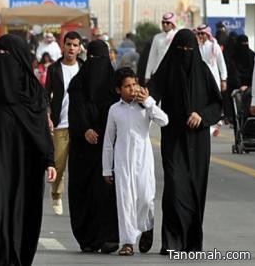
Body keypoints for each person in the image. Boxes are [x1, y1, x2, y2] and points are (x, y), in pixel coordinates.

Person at [0, 34, 57, 266]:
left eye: (9, 55)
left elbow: (41, 129)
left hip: (27, 168)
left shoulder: (34, 92)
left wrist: (49, 159)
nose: (3, 59)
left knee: (24, 215)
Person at [147, 29, 222, 254]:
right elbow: (152, 93)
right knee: (174, 187)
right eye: (182, 50)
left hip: (198, 142)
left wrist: (202, 116)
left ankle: (191, 242)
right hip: (173, 139)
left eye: (190, 50)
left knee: (195, 188)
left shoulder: (204, 71)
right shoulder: (167, 69)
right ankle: (172, 242)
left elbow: (218, 105)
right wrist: (141, 97)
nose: (186, 54)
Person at [103, 67, 169, 256]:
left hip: (143, 161)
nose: (132, 89)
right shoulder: (114, 110)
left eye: (135, 84)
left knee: (146, 198)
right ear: (118, 90)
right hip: (122, 161)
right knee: (125, 202)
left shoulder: (146, 106)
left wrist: (148, 102)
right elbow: (108, 141)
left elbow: (164, 120)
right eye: (127, 86)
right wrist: (107, 169)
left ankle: (147, 225)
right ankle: (127, 242)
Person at [65, 40, 120, 253]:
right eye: (93, 59)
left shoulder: (115, 86)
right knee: (83, 191)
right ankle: (87, 238)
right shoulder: (78, 84)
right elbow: (75, 112)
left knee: (106, 192)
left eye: (101, 60)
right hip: (83, 149)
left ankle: (108, 237)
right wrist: (85, 129)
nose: (97, 64)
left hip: (107, 148)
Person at [44, 31, 83, 215]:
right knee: (58, 164)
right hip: (60, 123)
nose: (71, 48)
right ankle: (56, 194)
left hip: (79, 125)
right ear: (63, 45)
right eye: (68, 44)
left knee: (78, 165)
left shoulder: (84, 67)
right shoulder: (54, 69)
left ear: (79, 48)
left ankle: (78, 200)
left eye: (75, 45)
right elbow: (46, 95)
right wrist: (48, 114)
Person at [144, 12, 178, 84]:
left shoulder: (177, 36)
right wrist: (147, 75)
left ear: (173, 24)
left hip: (172, 72)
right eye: (163, 22)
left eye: (168, 23)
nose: (165, 24)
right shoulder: (157, 37)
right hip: (157, 72)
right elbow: (152, 56)